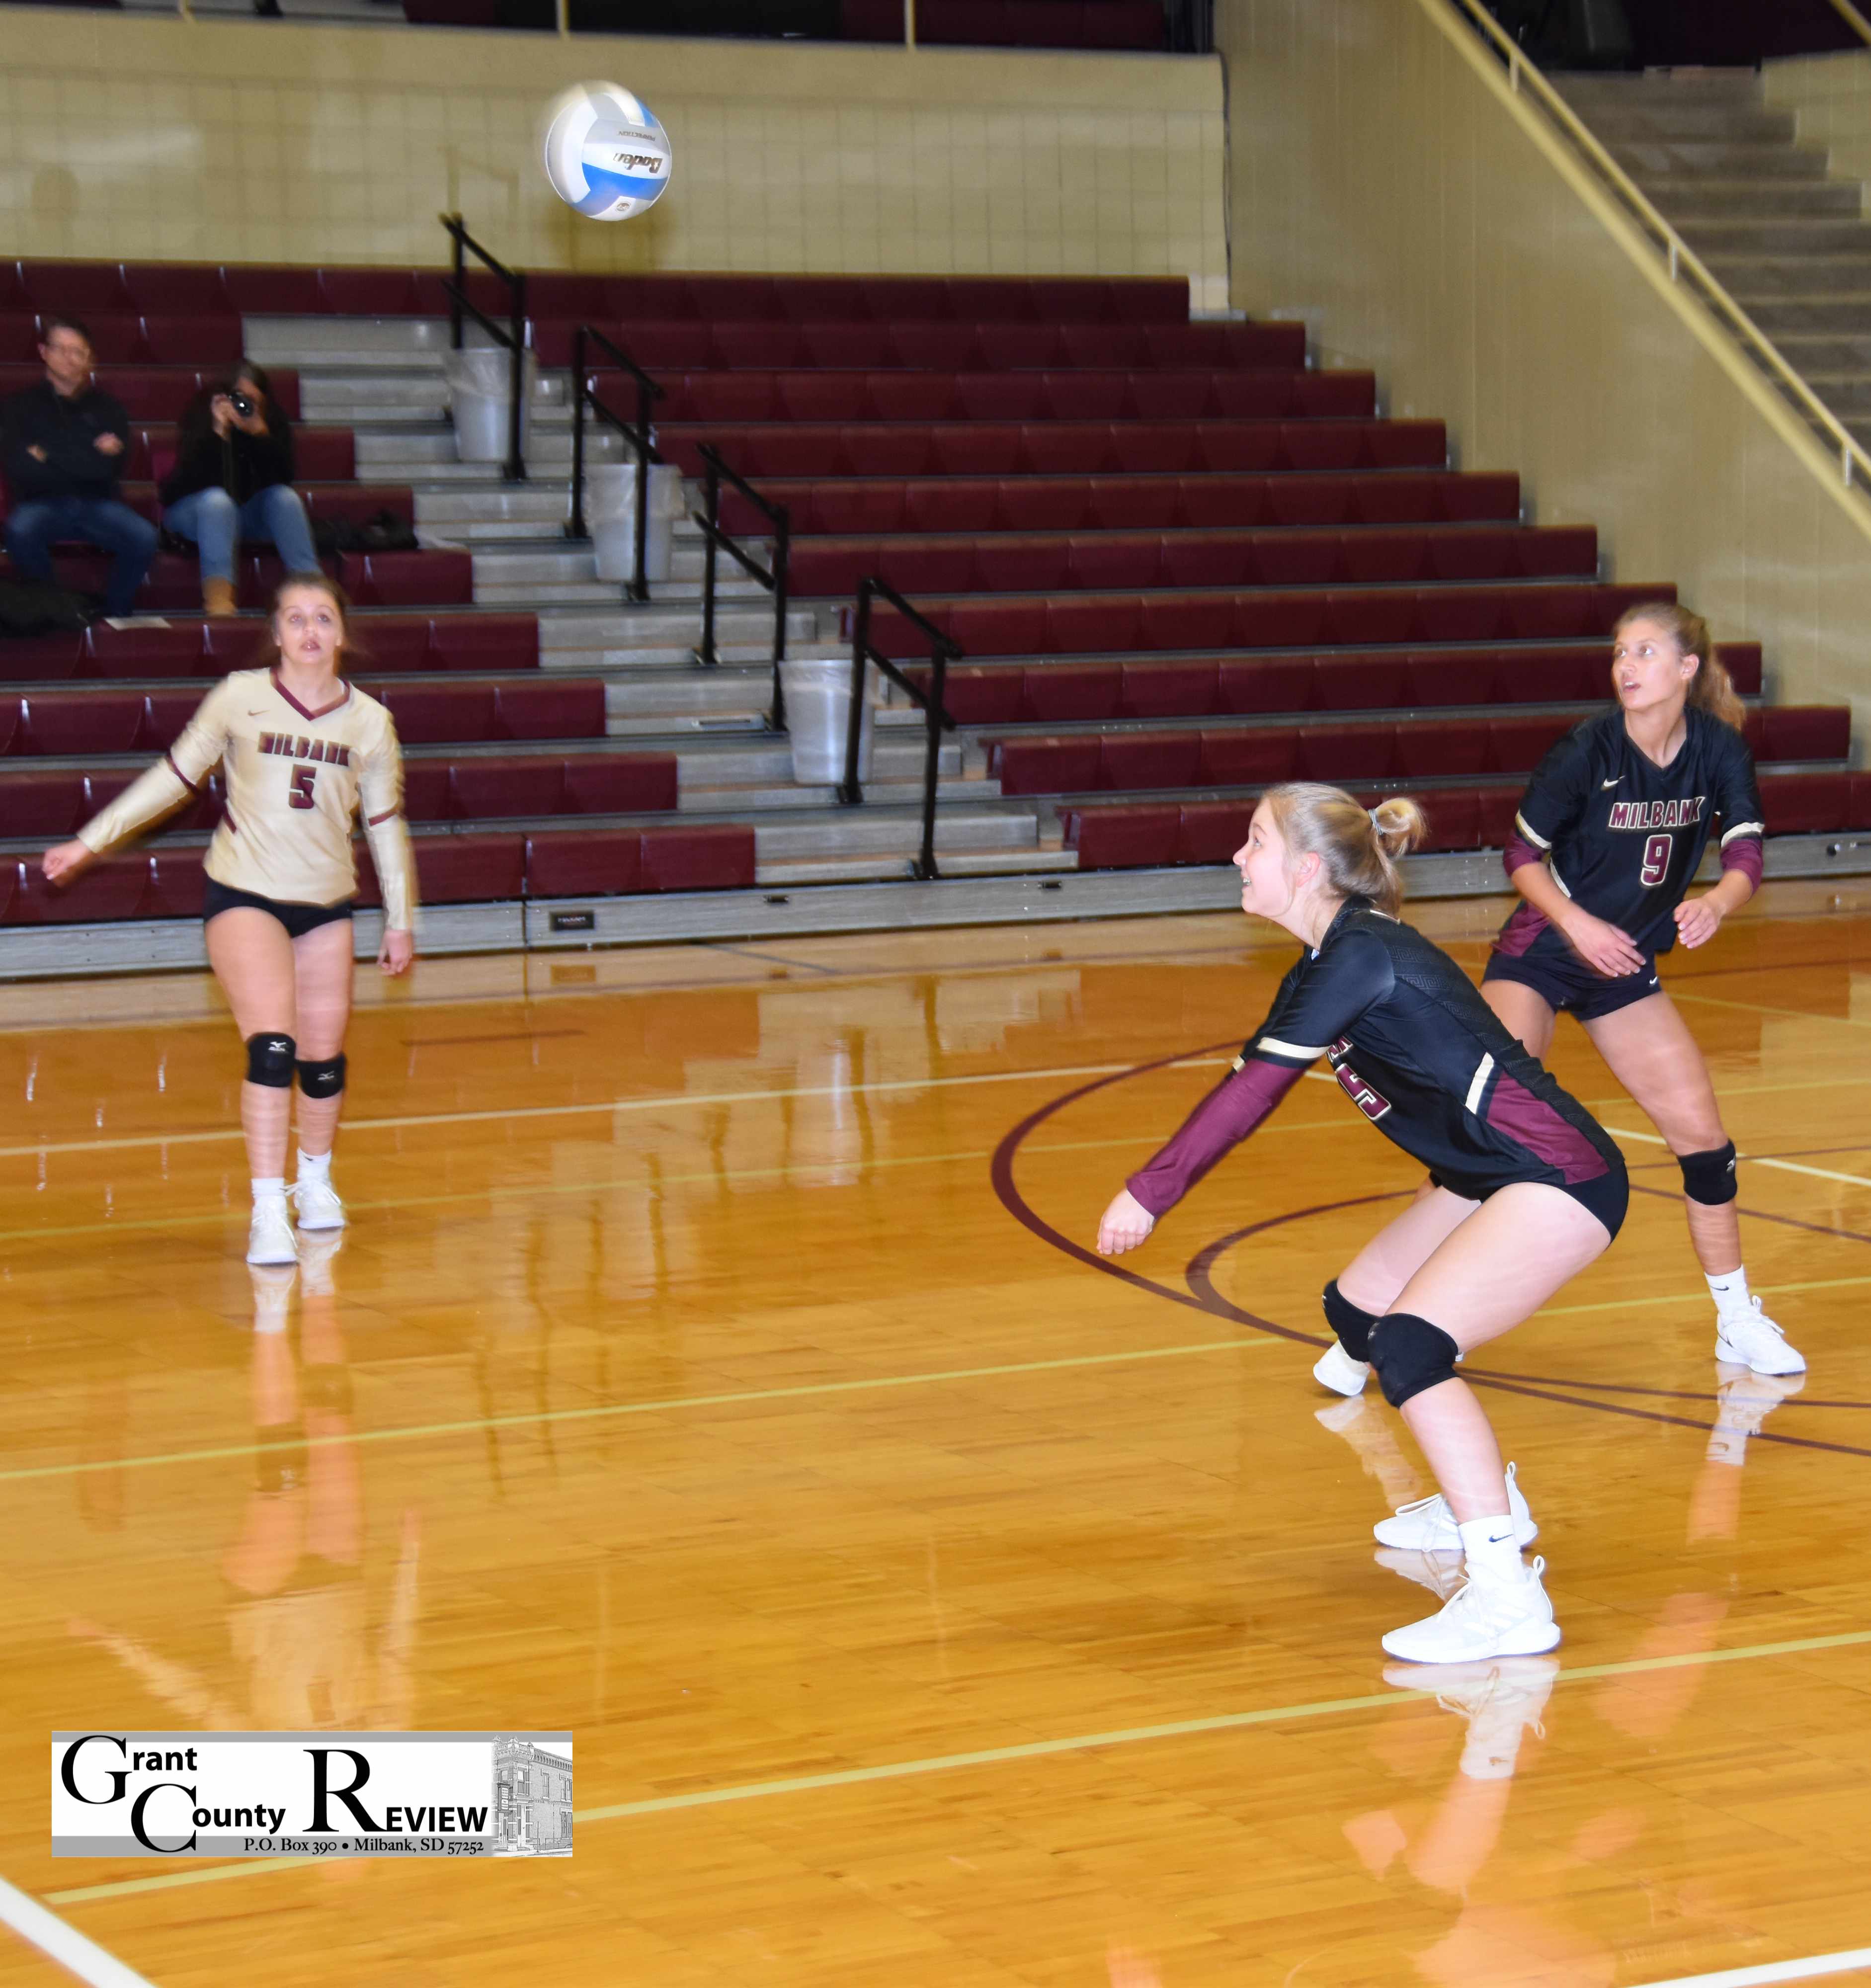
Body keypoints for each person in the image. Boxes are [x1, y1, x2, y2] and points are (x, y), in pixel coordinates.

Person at [1095, 784, 1628, 1663]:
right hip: (1483, 1174)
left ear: (1307, 868)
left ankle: (1505, 1597)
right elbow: (1258, 1076)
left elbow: (1250, 1098)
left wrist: (1150, 1193)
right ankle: (1483, 1497)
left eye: (1254, 841)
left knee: (1414, 1347)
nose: (1239, 857)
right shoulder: (1320, 965)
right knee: (1359, 1313)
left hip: (1558, 1174)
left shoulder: (1363, 956)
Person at [39, 574, 416, 1266]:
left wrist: (400, 919)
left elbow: (386, 825)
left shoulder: (370, 723)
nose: (309, 630)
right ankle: (268, 1206)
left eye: (323, 618)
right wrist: (88, 842)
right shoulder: (241, 697)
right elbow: (173, 777)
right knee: (272, 1046)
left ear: (341, 635)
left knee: (323, 1062)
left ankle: (316, 1179)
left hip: (326, 904)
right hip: (244, 893)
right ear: (276, 634)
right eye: (295, 618)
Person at [1475, 599, 1799, 1377]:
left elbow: (1747, 855)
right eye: (1620, 652)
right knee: (1482, 1135)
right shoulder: (1586, 749)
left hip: (1626, 968)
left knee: (1707, 1148)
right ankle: (1385, 1317)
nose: (1626, 666)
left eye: (1646, 652)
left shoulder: (1719, 750)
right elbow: (1520, 858)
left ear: (1687, 669)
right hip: (1543, 954)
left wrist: (1716, 903)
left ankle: (1734, 1319)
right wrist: (1578, 923)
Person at [0, 314, 159, 619]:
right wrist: (87, 453)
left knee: (144, 537)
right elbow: (19, 468)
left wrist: (47, 453)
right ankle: (51, 610)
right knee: (20, 529)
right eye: (60, 349)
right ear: (44, 352)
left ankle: (116, 612)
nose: (68, 358)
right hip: (39, 503)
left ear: (90, 359)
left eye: (77, 351)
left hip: (98, 503)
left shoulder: (110, 408)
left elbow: (108, 470)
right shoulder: (17, 406)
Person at [161, 362, 320, 618]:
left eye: (254, 401)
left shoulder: (271, 422)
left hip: (244, 514)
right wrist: (218, 435)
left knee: (285, 499)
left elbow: (284, 478)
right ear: (226, 395)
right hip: (194, 511)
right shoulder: (202, 415)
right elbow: (182, 483)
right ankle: (220, 606)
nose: (245, 406)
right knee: (218, 503)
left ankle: (313, 592)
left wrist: (261, 436)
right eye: (240, 398)